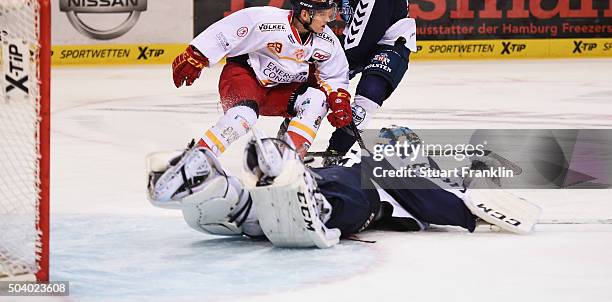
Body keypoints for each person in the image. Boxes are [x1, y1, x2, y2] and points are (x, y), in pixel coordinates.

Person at [147, 126, 541, 248]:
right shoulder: (402, 177)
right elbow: (450, 204)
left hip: (321, 175)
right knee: (346, 205)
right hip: (352, 190)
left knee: (254, 217)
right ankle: (312, 203)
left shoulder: (367, 159)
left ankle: (214, 189)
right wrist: (473, 207)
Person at [151, 0, 353, 204]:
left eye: (330, 13)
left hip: (279, 92)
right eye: (324, 15)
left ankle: (286, 162)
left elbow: (335, 76)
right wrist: (198, 54)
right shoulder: (266, 20)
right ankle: (195, 162)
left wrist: (339, 97)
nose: (329, 20)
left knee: (317, 99)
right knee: (242, 118)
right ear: (305, 13)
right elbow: (227, 30)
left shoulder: (326, 40)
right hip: (244, 77)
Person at [317, 0, 417, 160]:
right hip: (360, 35)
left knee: (369, 92)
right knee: (316, 83)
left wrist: (339, 64)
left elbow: (365, 32)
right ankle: (295, 133)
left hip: (390, 42)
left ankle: (336, 150)